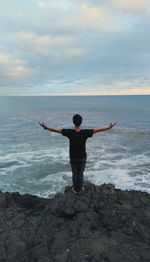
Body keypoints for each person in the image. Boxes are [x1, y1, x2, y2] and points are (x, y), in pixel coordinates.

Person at [39, 114, 116, 193]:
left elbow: (56, 130)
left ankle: (75, 189)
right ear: (81, 122)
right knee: (80, 173)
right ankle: (80, 188)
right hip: (82, 156)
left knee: (74, 173)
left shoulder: (69, 132)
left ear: (73, 122)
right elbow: (98, 130)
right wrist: (109, 127)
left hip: (73, 157)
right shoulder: (85, 132)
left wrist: (46, 127)